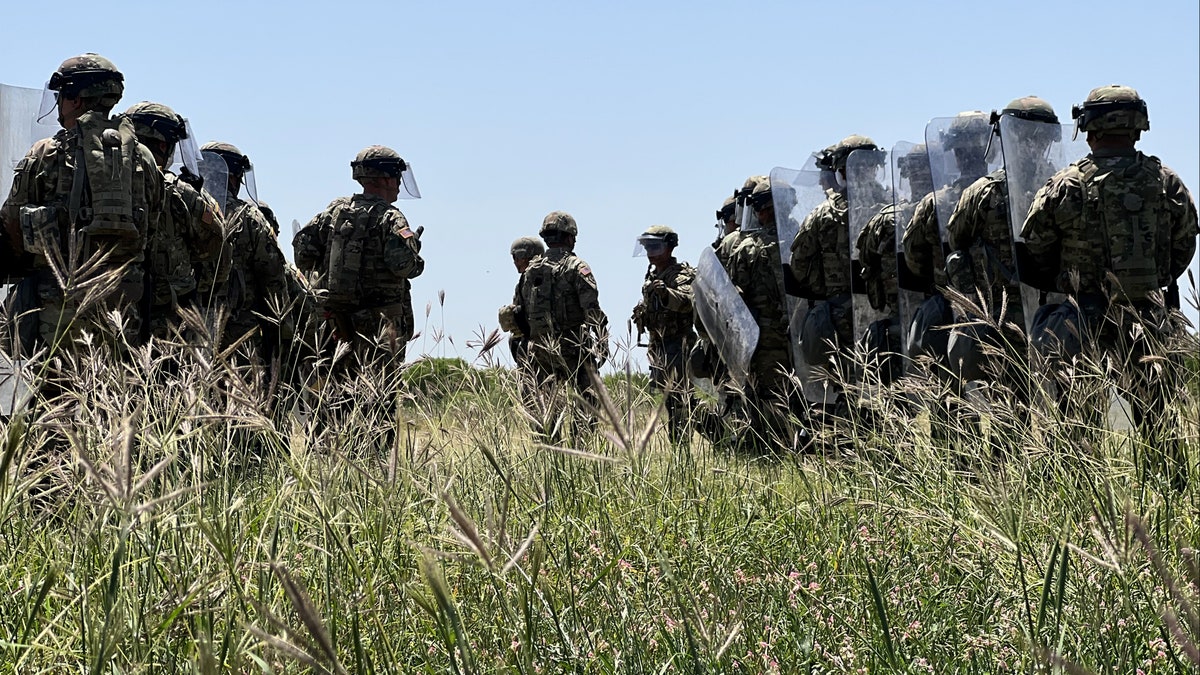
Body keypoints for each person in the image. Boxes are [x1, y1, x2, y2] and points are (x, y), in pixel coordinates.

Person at [1020, 84, 1198, 488]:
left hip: (1083, 321)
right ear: (1139, 125)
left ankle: (1077, 509)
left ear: (1088, 126)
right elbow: (1185, 245)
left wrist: (1070, 280)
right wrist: (1154, 284)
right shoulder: (1166, 182)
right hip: (1149, 318)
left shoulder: (1063, 185)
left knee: (1076, 427)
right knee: (1161, 427)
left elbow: (1034, 250)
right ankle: (1171, 509)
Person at [0, 53, 163, 355]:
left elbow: (10, 225)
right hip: (123, 306)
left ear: (75, 99)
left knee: (55, 396)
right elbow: (152, 230)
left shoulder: (47, 153)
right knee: (114, 396)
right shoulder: (144, 159)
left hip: (59, 308)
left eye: (62, 96)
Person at [293, 145, 425, 368]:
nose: (400, 183)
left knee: (340, 393)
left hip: (337, 324)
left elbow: (302, 253)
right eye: (396, 175)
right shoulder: (391, 217)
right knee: (380, 394)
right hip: (380, 326)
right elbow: (405, 267)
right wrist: (414, 249)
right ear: (384, 178)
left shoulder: (334, 211)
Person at [790, 135, 883, 412]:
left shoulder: (823, 214)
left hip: (840, 314)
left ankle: (851, 444)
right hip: (883, 311)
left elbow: (799, 266)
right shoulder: (892, 205)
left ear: (841, 171)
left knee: (846, 387)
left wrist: (825, 287)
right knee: (885, 385)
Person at [124, 101, 225, 340]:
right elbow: (217, 248)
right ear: (163, 144)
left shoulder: (104, 179)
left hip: (111, 313)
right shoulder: (179, 191)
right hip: (167, 322)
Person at [727, 179, 806, 451]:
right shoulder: (803, 237)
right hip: (802, 334)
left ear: (764, 210)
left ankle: (771, 456)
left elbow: (734, 302)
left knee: (766, 400)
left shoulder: (747, 248)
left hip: (765, 340)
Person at [516, 211, 608, 441]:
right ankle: (580, 452)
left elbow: (519, 310)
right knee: (588, 401)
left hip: (539, 350)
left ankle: (552, 453)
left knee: (546, 409)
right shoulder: (577, 267)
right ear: (570, 237)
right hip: (573, 347)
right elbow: (592, 309)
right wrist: (602, 338)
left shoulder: (530, 271)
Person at [200, 141, 288, 357]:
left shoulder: (187, 203)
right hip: (239, 332)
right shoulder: (249, 218)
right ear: (233, 177)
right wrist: (281, 334)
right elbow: (273, 280)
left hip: (187, 326)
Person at [631, 225, 696, 443]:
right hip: (659, 349)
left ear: (669, 247)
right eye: (647, 246)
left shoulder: (681, 274)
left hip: (679, 346)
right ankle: (680, 450)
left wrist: (665, 293)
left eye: (655, 246)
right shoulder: (651, 276)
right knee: (673, 403)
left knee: (684, 404)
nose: (650, 251)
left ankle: (716, 436)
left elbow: (688, 301)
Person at [498, 235, 545, 366]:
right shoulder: (551, 276)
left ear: (525, 256)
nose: (515, 262)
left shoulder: (528, 281)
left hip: (534, 346)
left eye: (516, 257)